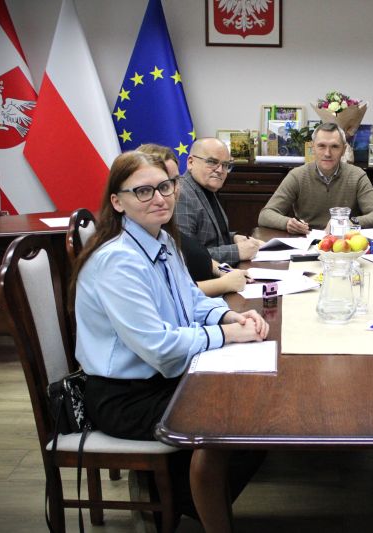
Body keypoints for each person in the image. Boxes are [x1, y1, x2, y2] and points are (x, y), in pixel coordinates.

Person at [70, 151, 269, 530]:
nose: (159, 198)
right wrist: (226, 334)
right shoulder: (118, 261)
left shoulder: (161, 239)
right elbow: (159, 348)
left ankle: (173, 495)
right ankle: (179, 503)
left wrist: (228, 316)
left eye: (165, 187)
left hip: (161, 379)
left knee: (257, 400)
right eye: (143, 191)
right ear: (117, 202)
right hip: (125, 396)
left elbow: (192, 300)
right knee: (239, 419)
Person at [137, 143, 250, 296]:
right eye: (163, 185)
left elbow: (195, 254)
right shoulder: (123, 253)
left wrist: (225, 270)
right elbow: (172, 294)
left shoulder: (164, 233)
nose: (174, 190)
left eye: (175, 181)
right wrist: (224, 283)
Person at [257, 122, 373, 233]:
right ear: (312, 148)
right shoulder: (297, 176)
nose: (327, 153)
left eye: (334, 147)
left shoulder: (357, 175)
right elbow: (265, 215)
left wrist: (349, 222)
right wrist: (287, 223)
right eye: (321, 146)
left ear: (343, 150)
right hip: (306, 240)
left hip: (345, 241)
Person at [176, 137, 264, 265]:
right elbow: (186, 256)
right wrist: (236, 251)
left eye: (225, 165)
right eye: (212, 162)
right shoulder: (182, 194)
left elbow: (209, 237)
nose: (220, 170)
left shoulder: (206, 188)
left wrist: (234, 238)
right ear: (191, 162)